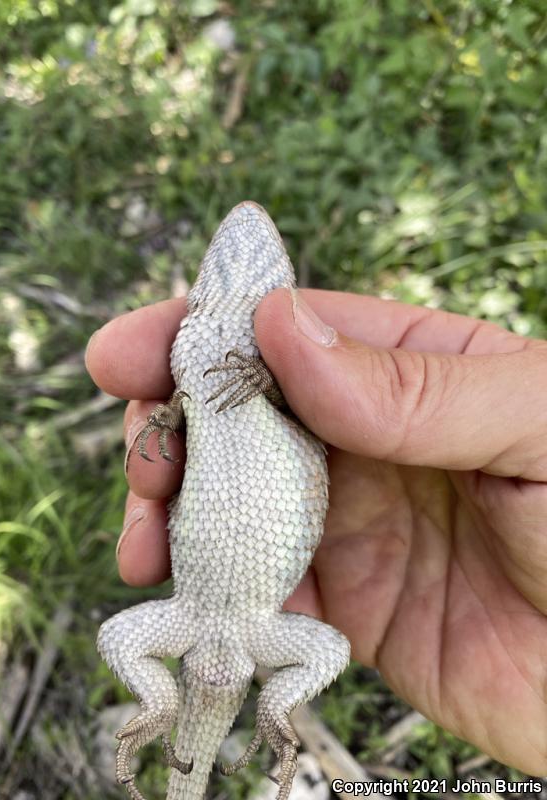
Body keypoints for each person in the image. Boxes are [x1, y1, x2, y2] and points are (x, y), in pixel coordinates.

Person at [85, 287, 547, 776]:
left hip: (245, 619)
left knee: (324, 650)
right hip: (204, 614)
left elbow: (298, 401)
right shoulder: (200, 343)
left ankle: (273, 712)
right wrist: (169, 416)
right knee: (120, 637)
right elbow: (187, 405)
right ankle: (159, 705)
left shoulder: (271, 350)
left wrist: (277, 704)